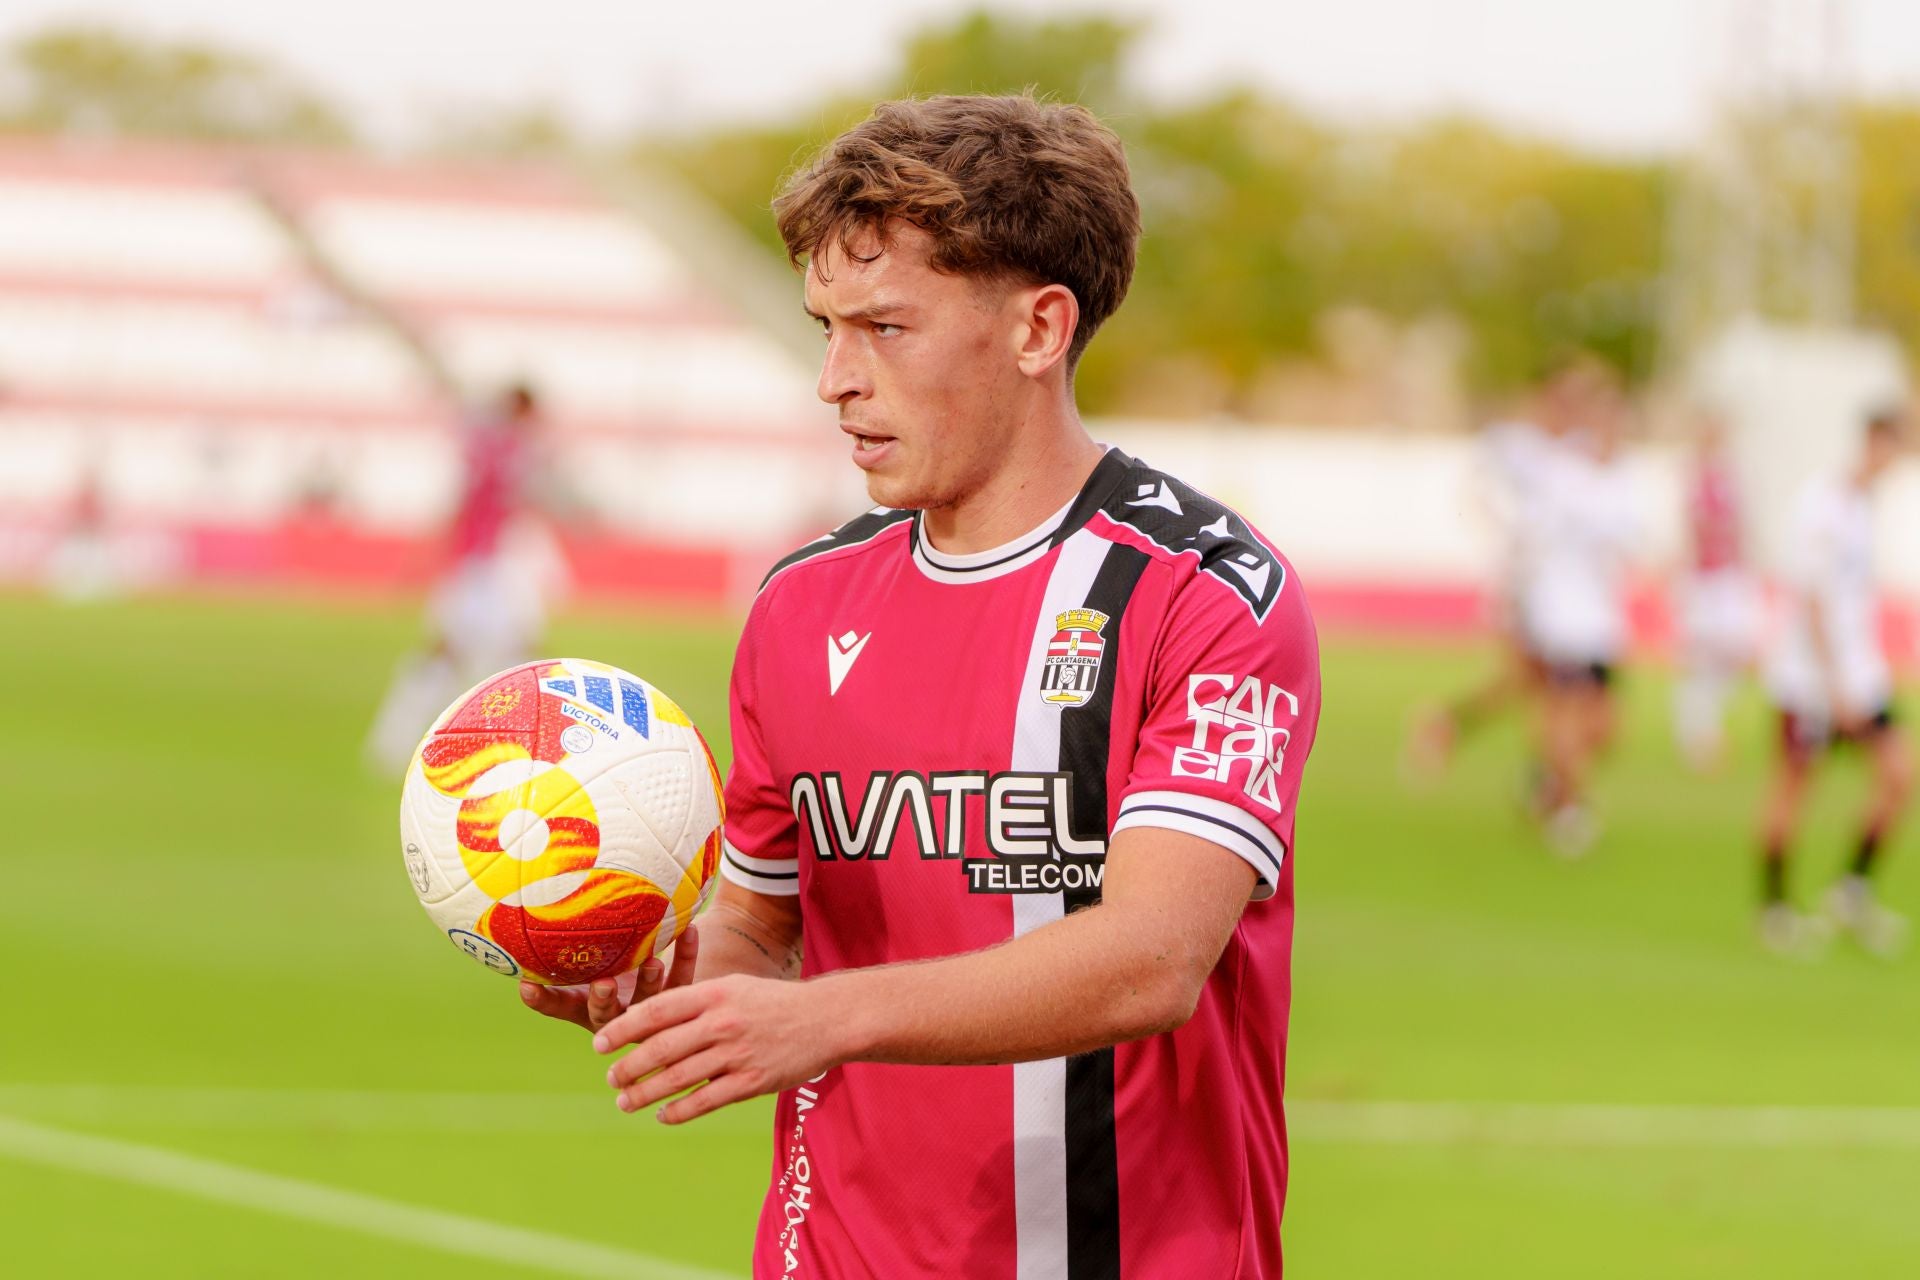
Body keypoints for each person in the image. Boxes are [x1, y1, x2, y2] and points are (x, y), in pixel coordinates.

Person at [520, 94, 1322, 1278]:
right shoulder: (801, 603)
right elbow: (762, 929)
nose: (834, 379)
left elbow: (1154, 957)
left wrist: (824, 1014)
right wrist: (646, 974)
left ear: (1039, 327)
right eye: (826, 328)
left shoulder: (1206, 591)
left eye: (884, 327)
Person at [1406, 356, 1611, 780]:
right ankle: (1550, 780)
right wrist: (1505, 536)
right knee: (1550, 686)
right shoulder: (1517, 446)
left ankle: (1450, 726)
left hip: (1562, 591)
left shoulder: (1574, 451)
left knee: (1534, 683)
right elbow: (1478, 488)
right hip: (1525, 587)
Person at [1757, 409, 1914, 955]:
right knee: (1795, 785)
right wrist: (1835, 684)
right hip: (1812, 679)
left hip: (1859, 672)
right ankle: (1773, 908)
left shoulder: (1863, 507)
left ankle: (1852, 890)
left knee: (1899, 774)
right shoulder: (1821, 504)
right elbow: (1813, 600)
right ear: (1873, 441)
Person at [363, 381, 567, 773]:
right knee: (508, 655)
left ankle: (404, 739)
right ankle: (404, 738)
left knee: (496, 653)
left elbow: (465, 505)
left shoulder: (489, 448)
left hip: (485, 563)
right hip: (493, 566)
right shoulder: (515, 452)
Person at [1512, 370, 1637, 855]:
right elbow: (1533, 540)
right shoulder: (1563, 474)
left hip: (1602, 619)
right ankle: (1569, 808)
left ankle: (1549, 777)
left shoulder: (1622, 479)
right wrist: (1526, 609)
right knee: (1565, 712)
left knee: (1604, 727)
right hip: (1563, 616)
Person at [1671, 412, 1759, 772]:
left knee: (1735, 651)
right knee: (1702, 657)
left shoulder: (1730, 475)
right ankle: (1698, 733)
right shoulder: (1694, 475)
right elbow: (1693, 526)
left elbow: (1741, 525)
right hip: (1705, 578)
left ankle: (1704, 723)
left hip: (1728, 576)